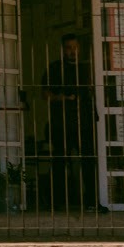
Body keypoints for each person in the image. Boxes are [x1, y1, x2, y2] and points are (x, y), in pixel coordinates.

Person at [42, 32, 99, 211]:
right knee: (60, 162)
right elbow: (45, 94)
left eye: (75, 48)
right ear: (63, 49)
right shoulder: (54, 68)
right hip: (62, 123)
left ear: (79, 49)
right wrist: (62, 98)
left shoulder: (87, 68)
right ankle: (57, 202)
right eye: (68, 48)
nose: (72, 52)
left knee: (89, 161)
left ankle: (92, 201)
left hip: (85, 122)